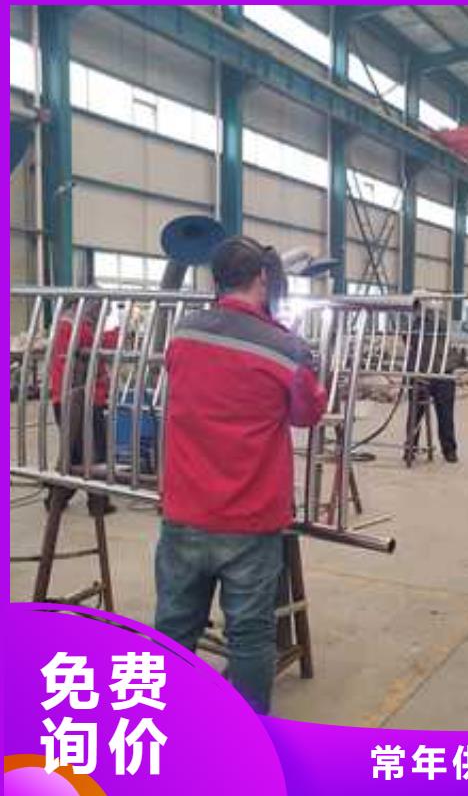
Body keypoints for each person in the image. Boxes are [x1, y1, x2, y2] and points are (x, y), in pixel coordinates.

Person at [155, 236, 327, 714]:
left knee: (173, 629)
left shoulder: (184, 332)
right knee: (249, 636)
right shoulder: (285, 349)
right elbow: (308, 413)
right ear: (264, 278)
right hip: (249, 521)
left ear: (217, 279)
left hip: (184, 512)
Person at [47, 297, 119, 514]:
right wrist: (118, 333)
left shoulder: (70, 323)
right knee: (91, 453)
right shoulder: (73, 325)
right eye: (100, 309)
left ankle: (60, 499)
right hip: (80, 400)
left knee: (77, 453)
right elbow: (97, 345)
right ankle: (94, 502)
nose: (101, 315)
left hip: (72, 398)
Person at [405, 304, 460, 464]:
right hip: (421, 372)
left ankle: (448, 449)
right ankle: (411, 447)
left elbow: (412, 341)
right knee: (416, 414)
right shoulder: (415, 323)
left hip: (441, 372)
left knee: (444, 414)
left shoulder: (435, 322)